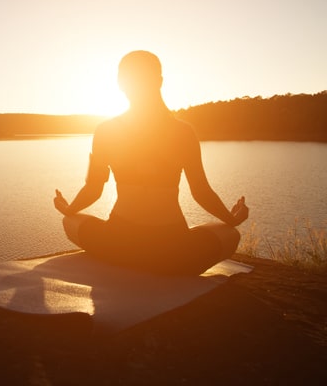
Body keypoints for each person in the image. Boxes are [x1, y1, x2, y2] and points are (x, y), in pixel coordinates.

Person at [53, 50, 249, 275]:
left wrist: (69, 209)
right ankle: (164, 263)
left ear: (120, 84)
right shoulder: (183, 132)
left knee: (70, 222)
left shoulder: (106, 131)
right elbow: (201, 191)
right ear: (159, 81)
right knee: (230, 235)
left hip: (118, 245)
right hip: (173, 252)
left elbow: (94, 189)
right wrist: (231, 219)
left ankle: (129, 260)